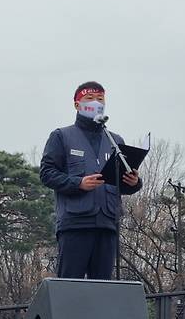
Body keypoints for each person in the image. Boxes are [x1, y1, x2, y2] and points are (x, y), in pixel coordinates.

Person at [40, 81, 142, 280]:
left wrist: (134, 182)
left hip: (107, 222)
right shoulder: (62, 136)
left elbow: (120, 182)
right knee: (70, 285)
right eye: (89, 99)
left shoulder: (115, 140)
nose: (96, 103)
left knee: (102, 288)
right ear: (77, 104)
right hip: (75, 223)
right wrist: (78, 183)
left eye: (100, 99)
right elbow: (47, 173)